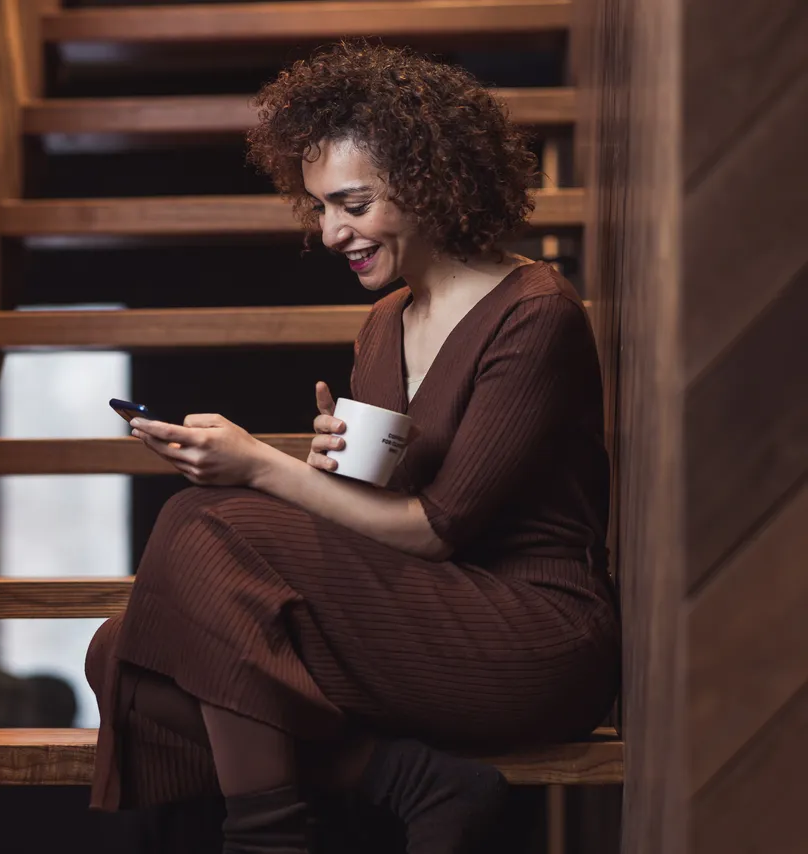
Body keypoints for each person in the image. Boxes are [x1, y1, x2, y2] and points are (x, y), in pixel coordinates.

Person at [85, 42, 620, 854]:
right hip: (421, 612)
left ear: (429, 180)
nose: (332, 233)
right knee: (120, 655)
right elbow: (385, 519)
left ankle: (266, 839)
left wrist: (261, 467)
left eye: (353, 204)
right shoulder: (384, 325)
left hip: (533, 637)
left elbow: (436, 529)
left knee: (203, 523)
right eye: (320, 209)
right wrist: (333, 473)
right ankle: (409, 780)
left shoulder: (535, 313)